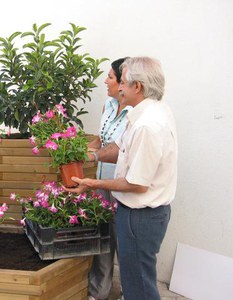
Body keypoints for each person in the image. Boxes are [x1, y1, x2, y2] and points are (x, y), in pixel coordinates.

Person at [65, 57, 177, 300]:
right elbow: (120, 148)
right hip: (141, 215)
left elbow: (136, 183)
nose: (118, 87)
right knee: (136, 278)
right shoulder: (152, 111)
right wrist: (91, 157)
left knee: (139, 287)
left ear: (138, 87)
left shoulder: (146, 126)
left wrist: (92, 183)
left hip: (140, 216)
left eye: (123, 82)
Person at [86, 57, 132, 300]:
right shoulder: (109, 105)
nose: (106, 81)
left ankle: (128, 293)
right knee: (103, 238)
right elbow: (101, 140)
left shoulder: (135, 113)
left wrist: (93, 155)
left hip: (123, 187)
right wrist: (76, 149)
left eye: (111, 77)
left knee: (125, 244)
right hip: (102, 185)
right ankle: (99, 292)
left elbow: (119, 150)